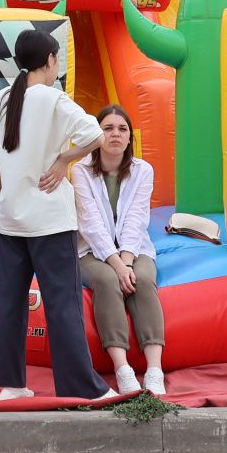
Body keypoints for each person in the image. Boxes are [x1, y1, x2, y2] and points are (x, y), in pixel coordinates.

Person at [0, 29, 112, 402]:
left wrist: (6, 157)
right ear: (50, 60)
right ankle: (81, 388)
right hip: (50, 221)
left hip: (11, 220)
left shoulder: (2, 100)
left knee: (10, 304)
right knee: (63, 306)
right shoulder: (54, 99)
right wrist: (62, 161)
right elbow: (95, 134)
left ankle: (11, 386)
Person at [72, 105, 165, 396]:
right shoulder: (81, 170)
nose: (115, 134)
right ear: (97, 135)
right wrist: (116, 265)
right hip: (90, 250)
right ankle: (122, 368)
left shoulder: (142, 170)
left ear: (129, 138)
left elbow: (138, 219)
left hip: (134, 248)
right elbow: (90, 223)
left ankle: (154, 369)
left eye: (122, 129)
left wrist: (127, 260)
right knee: (107, 280)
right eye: (108, 128)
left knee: (144, 280)